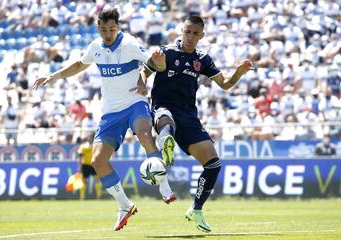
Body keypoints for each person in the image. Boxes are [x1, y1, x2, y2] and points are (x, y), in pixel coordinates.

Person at [32, 7, 176, 231]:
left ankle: (164, 187)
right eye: (104, 29)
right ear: (98, 27)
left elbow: (157, 65)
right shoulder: (95, 47)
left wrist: (159, 61)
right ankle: (125, 205)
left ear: (118, 27)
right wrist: (53, 76)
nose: (108, 34)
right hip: (110, 112)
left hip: (134, 104)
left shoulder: (129, 44)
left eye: (112, 29)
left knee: (145, 135)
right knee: (98, 161)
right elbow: (80, 64)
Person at [141, 16, 253, 232]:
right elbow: (144, 72)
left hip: (189, 117)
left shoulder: (203, 59)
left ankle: (196, 209)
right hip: (163, 107)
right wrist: (141, 83)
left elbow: (226, 84)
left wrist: (238, 73)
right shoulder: (165, 52)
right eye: (187, 32)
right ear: (181, 31)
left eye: (195, 33)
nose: (190, 37)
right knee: (166, 122)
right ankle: (166, 144)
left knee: (213, 163)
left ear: (201, 35)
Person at [77, 133, 102, 200]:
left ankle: (99, 196)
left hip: (95, 164)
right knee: (84, 181)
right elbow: (80, 156)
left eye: (91, 137)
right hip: (86, 165)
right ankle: (82, 197)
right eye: (89, 137)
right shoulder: (83, 146)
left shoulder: (97, 145)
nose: (89, 138)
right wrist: (79, 166)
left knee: (97, 180)